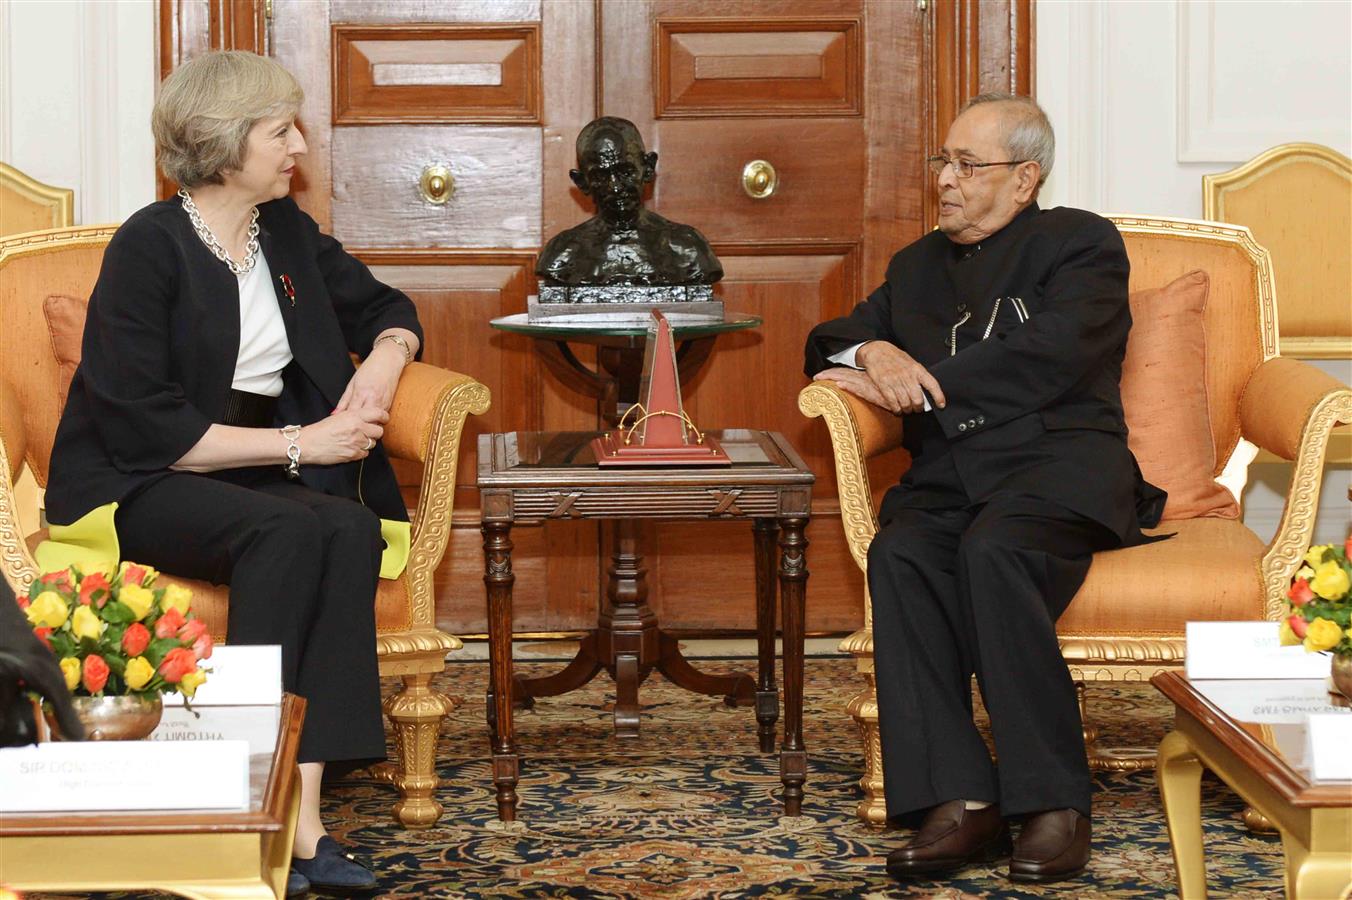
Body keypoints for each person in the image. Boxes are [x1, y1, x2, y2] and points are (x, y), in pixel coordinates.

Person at [43, 50, 423, 896]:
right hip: (137, 478)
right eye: (280, 130)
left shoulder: (283, 231)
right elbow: (151, 430)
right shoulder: (151, 247)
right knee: (290, 524)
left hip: (250, 465)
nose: (300, 145)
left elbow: (385, 308)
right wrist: (303, 446)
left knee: (347, 525)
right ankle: (247, 803)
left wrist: (385, 362)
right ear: (223, 145)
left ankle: (303, 817)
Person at [804, 93, 1166, 885]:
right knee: (901, 553)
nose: (946, 180)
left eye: (969, 165)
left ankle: (1051, 805)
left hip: (1061, 463)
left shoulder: (1081, 243)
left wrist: (920, 379)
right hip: (952, 479)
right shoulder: (915, 265)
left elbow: (1053, 351)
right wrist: (873, 355)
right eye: (943, 161)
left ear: (1025, 178)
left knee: (995, 548)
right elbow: (827, 338)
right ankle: (958, 800)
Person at [536, 116, 722, 286]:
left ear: (648, 169)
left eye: (625, 172)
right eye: (601, 176)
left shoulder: (687, 247)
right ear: (582, 182)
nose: (615, 187)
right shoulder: (561, 254)